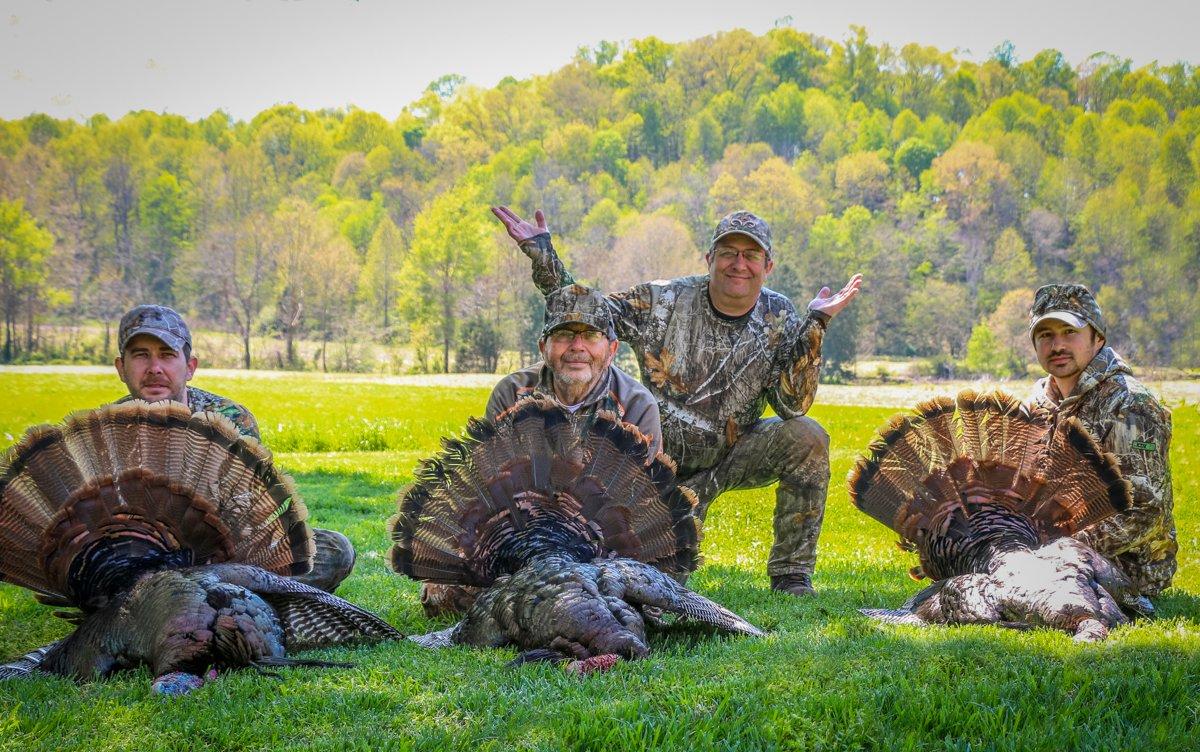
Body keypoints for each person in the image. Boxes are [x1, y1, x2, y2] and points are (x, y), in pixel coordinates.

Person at [491, 206, 862, 596]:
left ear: (767, 265)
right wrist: (543, 254)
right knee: (652, 587)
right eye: (728, 253)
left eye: (751, 255)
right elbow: (591, 314)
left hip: (730, 457)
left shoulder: (780, 316)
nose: (739, 264)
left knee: (807, 436)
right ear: (709, 259)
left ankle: (792, 575)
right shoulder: (663, 300)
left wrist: (815, 325)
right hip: (652, 473)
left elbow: (792, 405)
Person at [420, 284, 664, 617]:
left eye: (590, 336)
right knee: (442, 596)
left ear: (611, 348)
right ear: (543, 346)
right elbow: (491, 496)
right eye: (564, 335)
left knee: (640, 604)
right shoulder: (513, 392)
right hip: (521, 545)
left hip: (603, 553)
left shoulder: (636, 404)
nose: (577, 347)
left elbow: (640, 509)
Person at [112, 304, 356, 593]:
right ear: (120, 368)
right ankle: (235, 604)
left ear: (190, 367)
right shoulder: (105, 429)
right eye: (141, 355)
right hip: (141, 565)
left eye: (167, 355)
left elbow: (252, 513)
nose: (154, 368)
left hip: (222, 559)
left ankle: (204, 601)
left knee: (333, 549)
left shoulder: (229, 418)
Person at [1027, 284, 1176, 597]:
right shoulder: (1036, 402)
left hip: (1129, 568)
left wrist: (1057, 548)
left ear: (1097, 337)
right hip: (1047, 552)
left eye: (1069, 332)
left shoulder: (1130, 403)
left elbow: (1145, 510)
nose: (1057, 345)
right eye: (1045, 335)